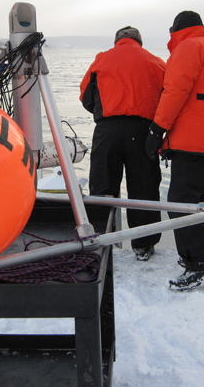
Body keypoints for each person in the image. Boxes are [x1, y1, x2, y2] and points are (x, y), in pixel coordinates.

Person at [146, 11, 204, 291]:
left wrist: (157, 129)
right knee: (203, 202)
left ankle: (198, 265)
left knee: (181, 202)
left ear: (177, 29)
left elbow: (176, 90)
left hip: (190, 138)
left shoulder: (189, 47)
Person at [80, 26, 166, 260]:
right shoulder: (156, 62)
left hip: (107, 130)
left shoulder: (102, 60)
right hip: (143, 131)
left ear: (117, 41)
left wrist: (108, 111)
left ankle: (101, 242)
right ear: (139, 41)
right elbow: (168, 97)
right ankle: (143, 244)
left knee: (102, 188)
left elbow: (86, 98)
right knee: (144, 188)